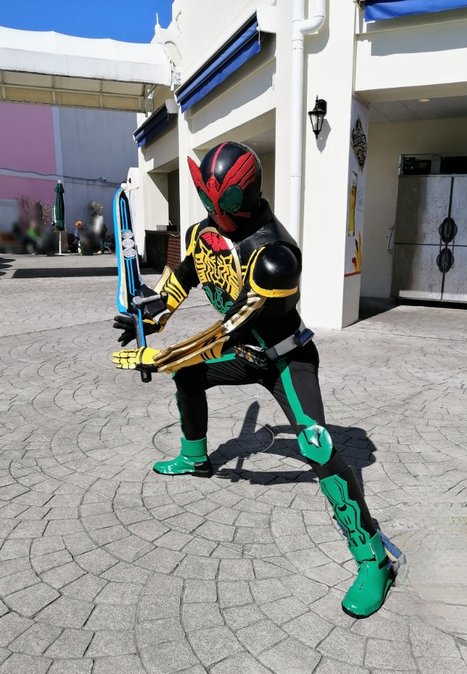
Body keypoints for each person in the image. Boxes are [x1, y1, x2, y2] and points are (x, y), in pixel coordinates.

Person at [112, 142, 399, 619]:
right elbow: (180, 281)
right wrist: (151, 315)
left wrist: (162, 358)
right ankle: (195, 458)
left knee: (317, 445)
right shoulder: (203, 232)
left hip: (285, 358)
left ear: (243, 197)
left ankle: (374, 559)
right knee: (188, 376)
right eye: (207, 200)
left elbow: (226, 330)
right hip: (245, 353)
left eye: (222, 201)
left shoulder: (275, 255)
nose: (214, 212)